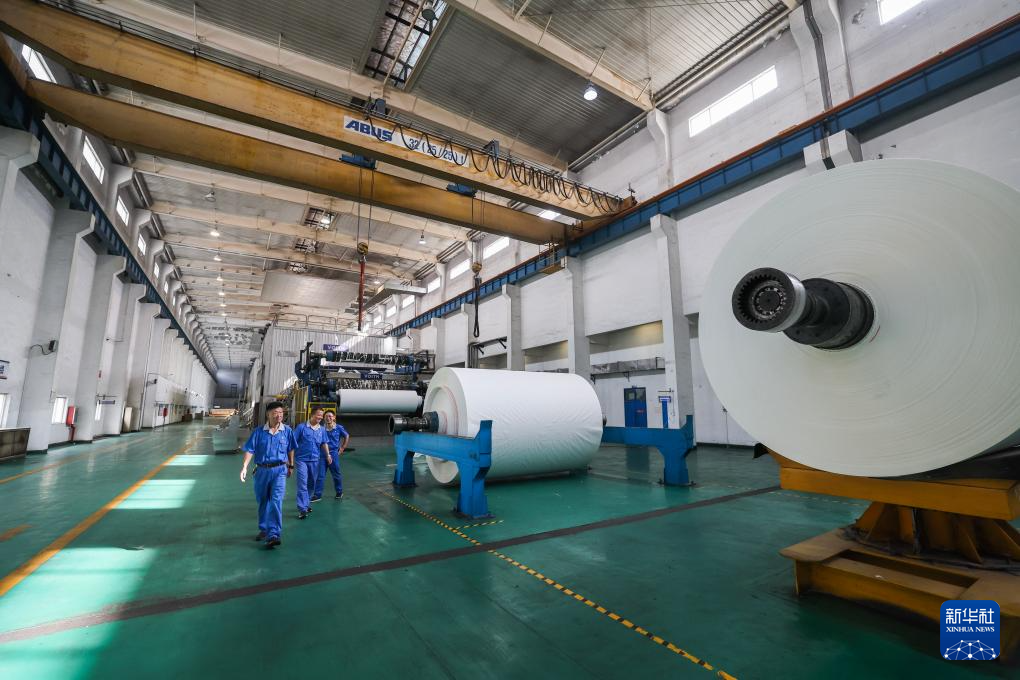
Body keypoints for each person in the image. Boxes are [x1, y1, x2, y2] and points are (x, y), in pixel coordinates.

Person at [239, 401, 295, 550]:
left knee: (276, 500)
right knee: (263, 501)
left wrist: (291, 465)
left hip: (279, 470)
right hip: (262, 471)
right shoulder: (258, 432)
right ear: (268, 414)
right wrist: (244, 467)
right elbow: (250, 450)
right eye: (275, 412)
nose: (279, 415)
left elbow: (291, 448)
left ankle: (274, 534)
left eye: (281, 412)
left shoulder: (287, 431)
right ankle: (264, 528)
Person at [291, 407, 330, 519]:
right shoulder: (301, 427)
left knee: (312, 483)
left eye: (322, 415)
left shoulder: (322, 429)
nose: (320, 417)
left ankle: (306, 503)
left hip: (315, 460)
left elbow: (324, 443)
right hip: (301, 460)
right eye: (318, 415)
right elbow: (293, 443)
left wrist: (328, 455)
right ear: (312, 415)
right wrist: (290, 460)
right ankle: (302, 508)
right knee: (302, 483)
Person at [313, 410, 349, 502]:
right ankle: (317, 495)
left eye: (330, 416)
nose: (328, 418)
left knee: (336, 474)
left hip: (333, 454)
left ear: (334, 417)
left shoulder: (338, 428)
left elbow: (346, 436)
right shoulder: (321, 428)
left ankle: (339, 492)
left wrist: (342, 448)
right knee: (320, 475)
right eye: (326, 416)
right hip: (322, 454)